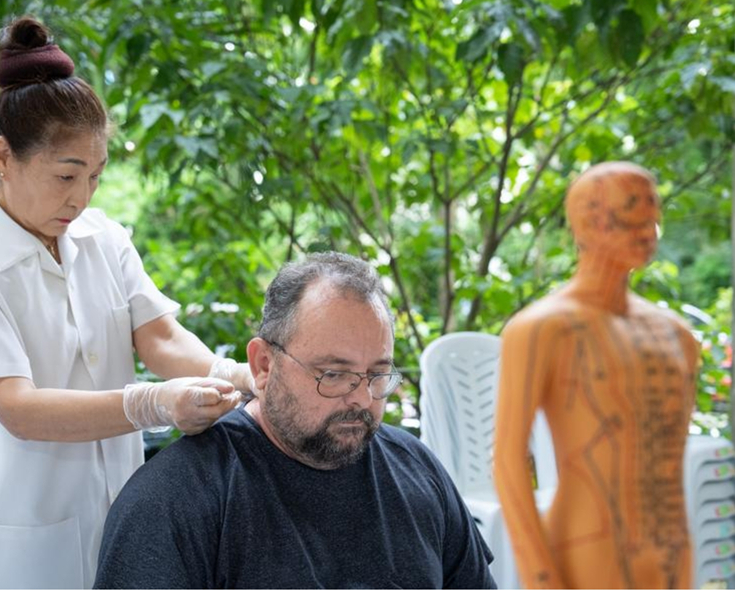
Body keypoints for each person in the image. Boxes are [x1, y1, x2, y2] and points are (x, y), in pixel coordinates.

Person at [0, 16, 254, 589]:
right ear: (3, 157)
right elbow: (16, 406)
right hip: (17, 543)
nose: (82, 196)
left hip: (119, 523)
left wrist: (236, 374)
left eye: (94, 176)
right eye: (66, 175)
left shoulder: (105, 238)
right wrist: (151, 403)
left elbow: (160, 337)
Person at [93, 252, 496, 589]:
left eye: (376, 375)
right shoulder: (176, 500)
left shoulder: (415, 468)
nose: (360, 398)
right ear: (264, 365)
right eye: (333, 374)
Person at [493, 162, 698, 588]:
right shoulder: (541, 329)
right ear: (586, 223)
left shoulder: (677, 336)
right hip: (588, 548)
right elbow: (509, 461)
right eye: (630, 210)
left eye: (653, 208)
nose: (648, 225)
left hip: (671, 550)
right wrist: (541, 575)